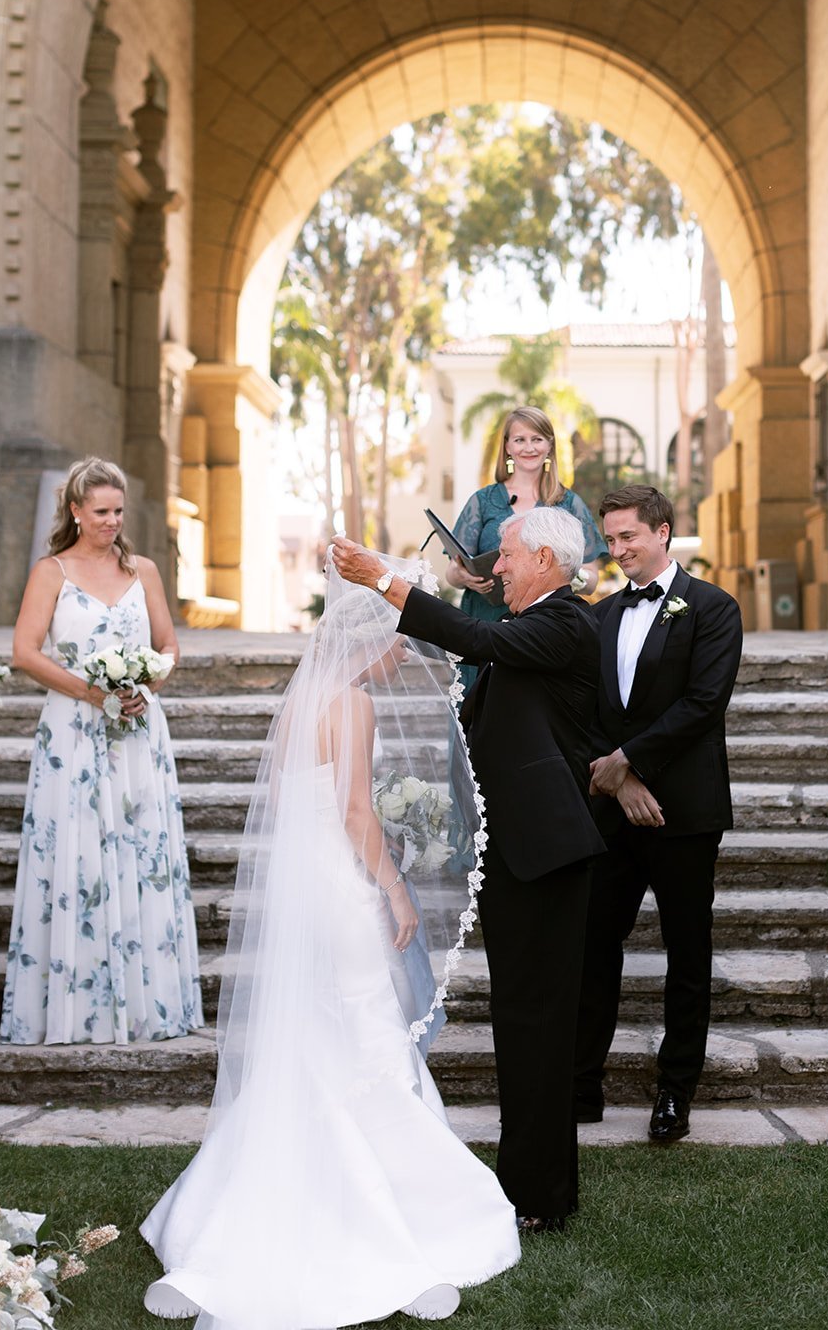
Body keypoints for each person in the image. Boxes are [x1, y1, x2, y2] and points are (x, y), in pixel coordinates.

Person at [143, 559, 520, 1327]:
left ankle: (256, 1199)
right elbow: (354, 814)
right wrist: (391, 884)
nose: (404, 650)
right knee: (368, 1034)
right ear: (373, 637)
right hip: (343, 889)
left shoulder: (299, 706)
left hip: (304, 888)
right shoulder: (351, 705)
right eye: (399, 637)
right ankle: (400, 1210)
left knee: (315, 1036)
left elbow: (294, 806)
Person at [333, 507, 605, 1233]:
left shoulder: (567, 621)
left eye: (508, 556)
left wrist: (386, 580)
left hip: (546, 856)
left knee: (539, 1030)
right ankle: (528, 1188)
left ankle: (539, 1198)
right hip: (517, 854)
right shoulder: (529, 630)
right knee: (521, 1027)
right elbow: (470, 650)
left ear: (546, 559)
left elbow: (476, 636)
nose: (497, 569)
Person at [0, 457, 202, 1046]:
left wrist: (145, 685)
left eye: (118, 511)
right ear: (75, 512)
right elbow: (25, 651)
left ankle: (146, 1003)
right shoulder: (51, 571)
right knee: (80, 854)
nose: (112, 521)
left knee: (140, 853)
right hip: (72, 733)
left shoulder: (143, 571)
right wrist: (94, 693)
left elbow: (167, 644)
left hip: (138, 734)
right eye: (101, 512)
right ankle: (76, 1004)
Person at [573, 484, 743, 1144]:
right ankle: (581, 1084)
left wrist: (635, 766)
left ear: (662, 532)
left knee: (686, 954)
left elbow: (703, 704)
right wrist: (618, 784)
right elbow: (586, 712)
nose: (617, 552)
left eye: (627, 538)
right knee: (592, 946)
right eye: (609, 540)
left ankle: (674, 1093)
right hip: (613, 813)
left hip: (685, 810)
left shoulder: (712, 608)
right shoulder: (599, 616)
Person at [446, 407, 605, 690]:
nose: (529, 447)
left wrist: (573, 576)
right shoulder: (482, 501)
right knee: (480, 704)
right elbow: (452, 572)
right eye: (520, 440)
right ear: (507, 446)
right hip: (486, 619)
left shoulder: (569, 503)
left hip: (545, 626)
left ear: (550, 445)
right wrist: (465, 577)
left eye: (537, 439)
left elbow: (592, 579)